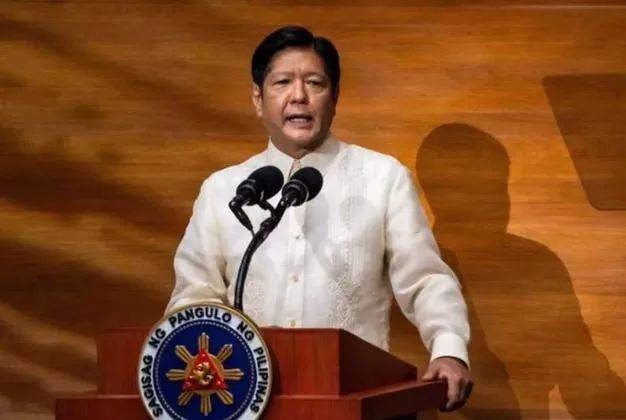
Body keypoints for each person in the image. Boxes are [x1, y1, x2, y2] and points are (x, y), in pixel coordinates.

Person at [166, 26, 472, 411]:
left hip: (356, 402)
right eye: (282, 82)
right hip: (248, 403)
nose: (299, 95)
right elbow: (194, 297)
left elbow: (424, 279)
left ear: (335, 96)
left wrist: (449, 350)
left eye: (314, 82)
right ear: (258, 98)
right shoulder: (223, 190)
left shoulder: (382, 178)